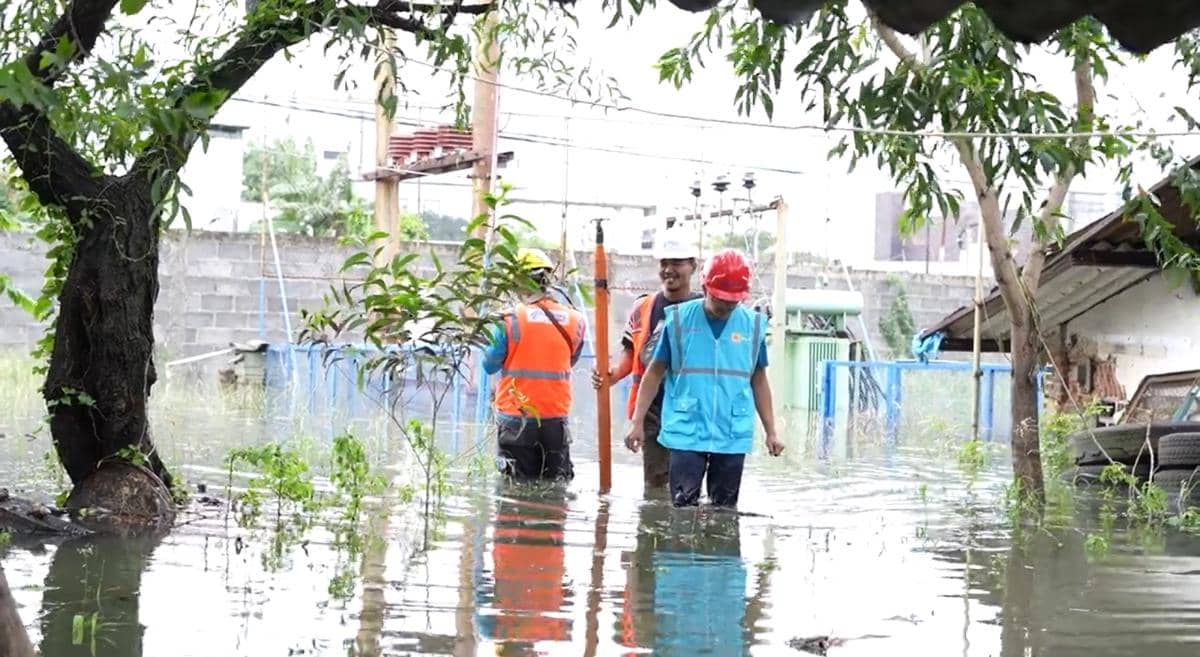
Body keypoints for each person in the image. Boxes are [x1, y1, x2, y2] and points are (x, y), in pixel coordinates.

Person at [626, 248, 784, 508]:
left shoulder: (753, 326)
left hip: (731, 431)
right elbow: (653, 373)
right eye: (720, 299)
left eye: (733, 302)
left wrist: (771, 432)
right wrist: (637, 422)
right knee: (682, 508)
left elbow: (759, 380)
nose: (726, 307)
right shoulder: (677, 321)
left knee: (724, 511)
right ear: (705, 287)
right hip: (686, 429)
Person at [592, 231, 701, 492]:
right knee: (655, 484)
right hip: (652, 408)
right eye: (664, 264)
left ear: (692, 266)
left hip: (692, 408)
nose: (669, 270)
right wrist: (612, 375)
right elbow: (633, 354)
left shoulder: (703, 308)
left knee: (688, 483)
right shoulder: (643, 307)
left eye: (677, 263)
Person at [482, 247, 587, 481]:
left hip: (516, 418)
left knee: (514, 490)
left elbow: (489, 365)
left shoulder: (508, 319)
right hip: (555, 419)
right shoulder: (576, 320)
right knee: (555, 488)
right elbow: (570, 361)